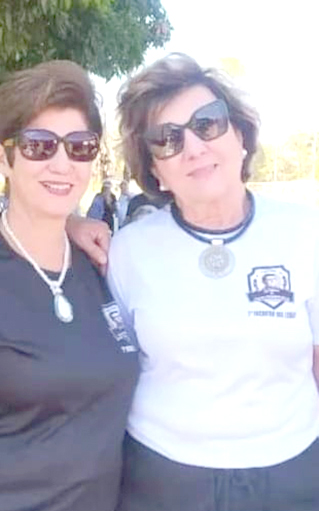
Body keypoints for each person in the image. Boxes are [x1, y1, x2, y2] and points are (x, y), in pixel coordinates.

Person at [0, 60, 139, 511]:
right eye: (38, 146)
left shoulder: (103, 266)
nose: (62, 163)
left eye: (80, 146)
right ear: (2, 157)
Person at [108, 53, 319, 511]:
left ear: (240, 135)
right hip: (163, 478)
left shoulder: (307, 233)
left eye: (208, 124)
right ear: (154, 169)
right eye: (167, 139)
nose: (194, 147)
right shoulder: (127, 251)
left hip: (293, 472)